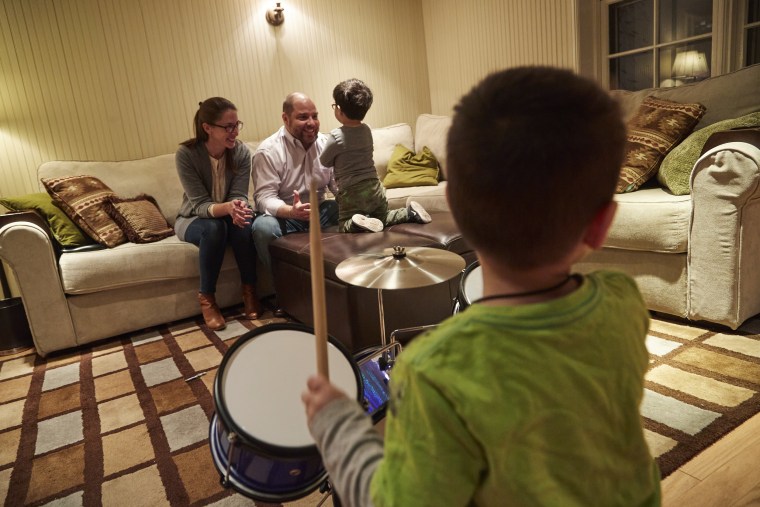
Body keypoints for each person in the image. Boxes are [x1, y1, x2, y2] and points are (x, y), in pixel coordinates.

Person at [302, 67, 662, 506]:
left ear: (454, 205)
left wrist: (338, 425)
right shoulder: (623, 302)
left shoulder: (436, 370)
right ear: (603, 225)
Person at [175, 97, 261, 331]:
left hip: (228, 214)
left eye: (237, 125)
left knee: (244, 223)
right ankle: (207, 298)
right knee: (215, 228)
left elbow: (240, 195)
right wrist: (228, 208)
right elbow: (201, 205)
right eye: (228, 127)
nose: (234, 132)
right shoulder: (186, 154)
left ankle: (250, 291)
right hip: (192, 218)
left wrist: (239, 208)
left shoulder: (241, 152)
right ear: (207, 128)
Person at [252, 92, 339, 315]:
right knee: (262, 227)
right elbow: (263, 197)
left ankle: (342, 284)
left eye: (315, 116)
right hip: (286, 216)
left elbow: (336, 187)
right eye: (303, 117)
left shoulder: (327, 144)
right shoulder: (268, 151)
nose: (311, 123)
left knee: (345, 210)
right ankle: (285, 294)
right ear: (285, 118)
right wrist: (290, 211)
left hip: (319, 212)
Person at [320, 78, 431, 233]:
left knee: (343, 225)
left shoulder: (336, 136)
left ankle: (354, 223)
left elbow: (324, 161)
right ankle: (408, 213)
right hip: (375, 186)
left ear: (339, 110)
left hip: (351, 191)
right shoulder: (366, 131)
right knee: (383, 217)